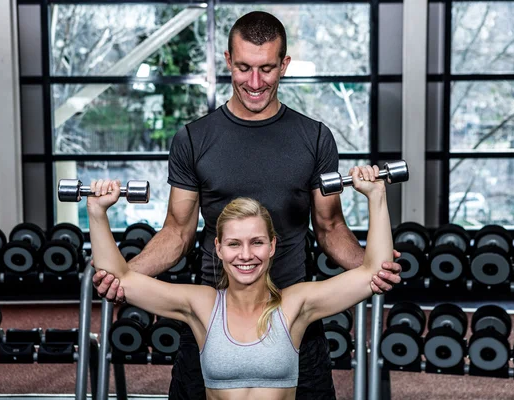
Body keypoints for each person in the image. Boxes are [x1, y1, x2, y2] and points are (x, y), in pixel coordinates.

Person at [93, 11, 402, 399]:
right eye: (244, 68)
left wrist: (370, 269)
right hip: (214, 315)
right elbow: (177, 231)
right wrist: (125, 276)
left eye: (267, 69)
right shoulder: (194, 139)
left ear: (284, 65)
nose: (254, 82)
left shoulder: (314, 138)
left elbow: (330, 227)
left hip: (292, 313)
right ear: (228, 61)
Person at [88, 165, 392, 400]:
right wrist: (97, 212)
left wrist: (376, 195)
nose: (246, 255)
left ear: (272, 246)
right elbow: (120, 279)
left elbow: (373, 274)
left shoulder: (295, 304)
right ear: (218, 248)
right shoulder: (202, 306)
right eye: (234, 244)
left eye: (256, 242)